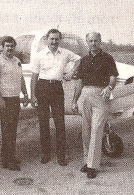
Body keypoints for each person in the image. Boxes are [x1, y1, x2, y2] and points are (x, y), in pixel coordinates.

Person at [31, 29, 80, 166]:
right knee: (44, 123)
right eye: (51, 39)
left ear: (60, 40)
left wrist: (71, 72)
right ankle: (45, 154)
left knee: (60, 123)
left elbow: (79, 61)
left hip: (57, 88)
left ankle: (61, 156)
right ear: (47, 39)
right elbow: (34, 77)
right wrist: (33, 96)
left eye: (56, 39)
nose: (54, 42)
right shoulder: (39, 55)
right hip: (42, 88)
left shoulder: (65, 53)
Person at [72, 32, 119, 178]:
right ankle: (87, 161)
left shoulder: (107, 58)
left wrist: (109, 88)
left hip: (101, 95)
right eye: (90, 41)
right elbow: (79, 83)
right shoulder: (83, 60)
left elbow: (113, 78)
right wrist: (74, 100)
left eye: (96, 41)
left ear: (100, 41)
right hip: (85, 95)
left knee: (97, 129)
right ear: (87, 42)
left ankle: (93, 166)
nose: (93, 43)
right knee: (86, 130)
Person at [0, 36, 28, 171]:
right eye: (7, 46)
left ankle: (9, 156)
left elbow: (21, 78)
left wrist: (25, 94)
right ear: (2, 47)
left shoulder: (17, 61)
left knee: (12, 129)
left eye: (12, 46)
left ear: (14, 47)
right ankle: (7, 160)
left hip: (15, 98)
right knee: (7, 130)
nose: (10, 48)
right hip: (5, 99)